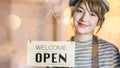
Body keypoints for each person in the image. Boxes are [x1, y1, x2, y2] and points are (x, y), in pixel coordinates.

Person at [69, 0, 120, 68]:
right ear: (72, 14)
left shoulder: (110, 51)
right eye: (80, 11)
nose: (84, 19)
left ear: (99, 21)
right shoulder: (59, 50)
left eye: (92, 14)